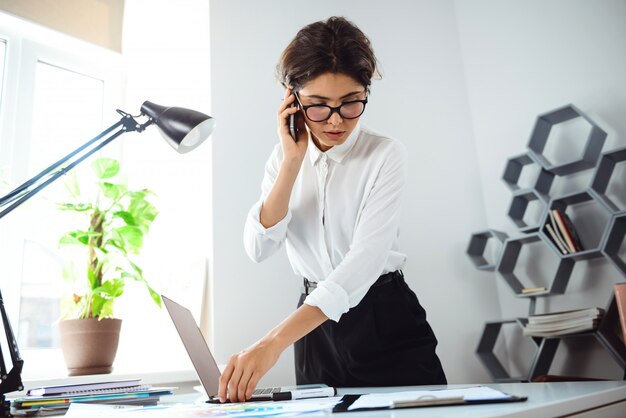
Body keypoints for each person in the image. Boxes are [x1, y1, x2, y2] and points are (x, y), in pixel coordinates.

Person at [217, 16, 446, 403]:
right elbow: (258, 248)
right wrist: (292, 163)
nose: (337, 120)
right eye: (318, 106)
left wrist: (272, 343)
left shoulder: (385, 154)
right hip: (313, 332)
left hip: (383, 316)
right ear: (293, 101)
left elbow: (363, 262)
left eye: (351, 102)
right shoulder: (282, 159)